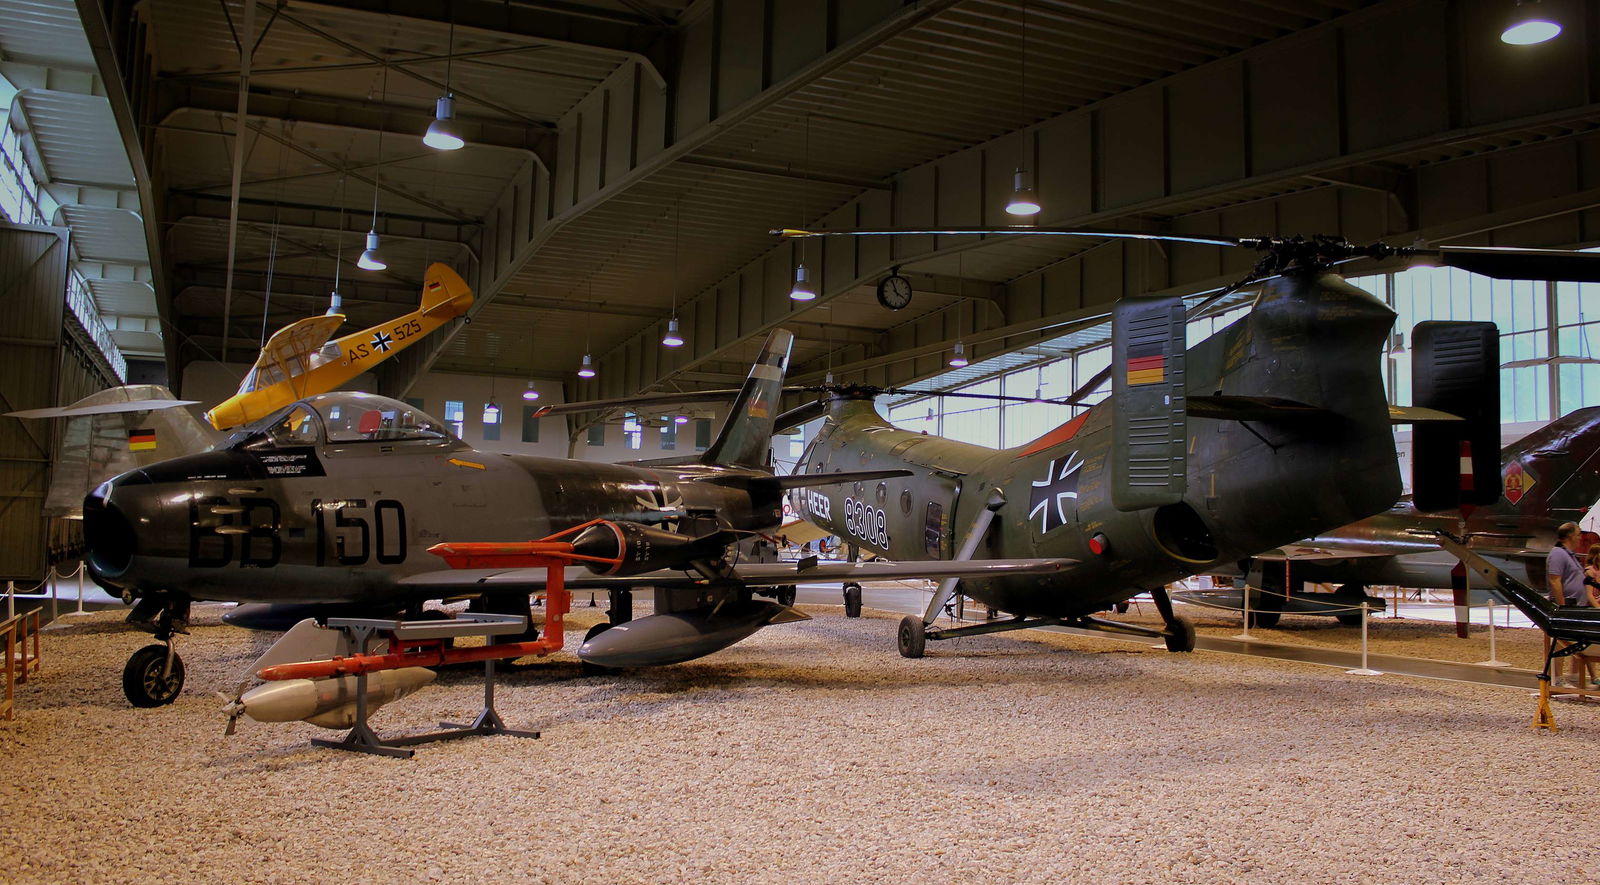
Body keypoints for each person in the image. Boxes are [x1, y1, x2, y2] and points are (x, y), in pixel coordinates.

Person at [1547, 522, 1588, 607]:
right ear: (1570, 536)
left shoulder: (1569, 554)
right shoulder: (1558, 553)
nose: (1580, 538)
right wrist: (1562, 607)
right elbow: (1554, 581)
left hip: (1577, 606)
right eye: (1578, 535)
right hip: (1567, 606)